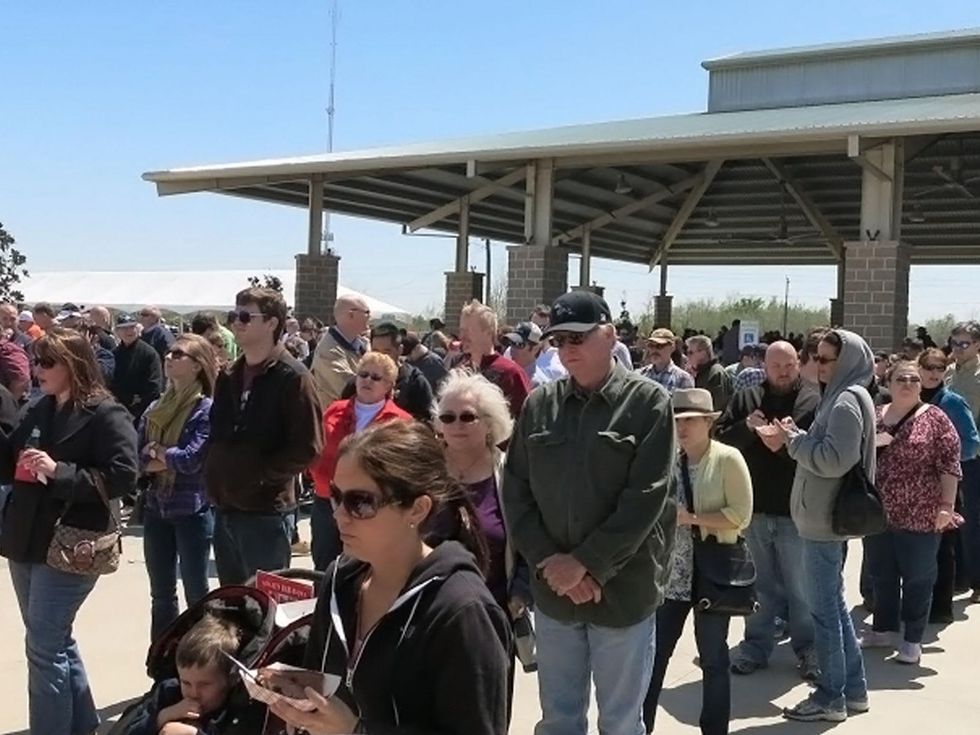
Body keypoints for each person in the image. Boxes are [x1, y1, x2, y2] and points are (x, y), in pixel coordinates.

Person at [503, 290, 676, 735]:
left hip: (621, 593)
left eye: (578, 337)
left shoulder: (648, 403)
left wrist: (585, 564)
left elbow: (647, 497)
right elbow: (516, 491)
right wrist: (551, 562)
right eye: (559, 340)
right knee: (558, 722)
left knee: (620, 724)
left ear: (610, 335)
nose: (568, 349)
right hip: (555, 594)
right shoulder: (540, 405)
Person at [272, 421, 510, 735]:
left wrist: (356, 731)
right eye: (336, 497)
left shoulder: (462, 611)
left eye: (360, 502)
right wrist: (300, 706)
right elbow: (321, 682)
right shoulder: (339, 582)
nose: (339, 514)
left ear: (417, 510)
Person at [0, 327, 139, 734]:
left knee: (43, 648)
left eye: (47, 362)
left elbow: (124, 476)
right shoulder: (38, 407)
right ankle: (80, 725)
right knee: (53, 640)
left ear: (74, 364)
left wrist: (58, 471)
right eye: (35, 360)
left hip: (71, 541)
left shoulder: (106, 413)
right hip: (26, 539)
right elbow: (9, 460)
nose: (37, 369)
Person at [777, 329, 874, 722]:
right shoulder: (846, 395)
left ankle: (831, 696)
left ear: (845, 361)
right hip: (824, 519)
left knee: (825, 613)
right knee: (832, 607)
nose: (818, 365)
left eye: (826, 359)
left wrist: (794, 441)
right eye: (816, 357)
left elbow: (835, 460)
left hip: (823, 522)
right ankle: (854, 690)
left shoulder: (845, 401)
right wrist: (800, 437)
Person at [644, 388, 752, 735]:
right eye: (677, 421)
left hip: (713, 573)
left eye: (691, 420)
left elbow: (740, 515)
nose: (683, 428)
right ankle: (640, 727)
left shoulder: (727, 458)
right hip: (671, 576)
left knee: (713, 658)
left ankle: (714, 729)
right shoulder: (667, 461)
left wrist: (691, 518)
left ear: (709, 422)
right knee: (653, 658)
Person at [716, 341, 820, 680]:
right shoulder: (747, 398)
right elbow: (721, 441)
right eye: (776, 366)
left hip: (796, 509)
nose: (783, 372)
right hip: (755, 508)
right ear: (764, 366)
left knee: (801, 588)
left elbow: (821, 451)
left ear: (798, 364)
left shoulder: (813, 400)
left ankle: (809, 650)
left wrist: (786, 444)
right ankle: (755, 648)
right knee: (759, 586)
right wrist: (747, 429)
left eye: (789, 365)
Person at [205, 288, 323, 585]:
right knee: (230, 604)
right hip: (225, 507)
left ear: (272, 323)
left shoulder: (293, 376)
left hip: (266, 513)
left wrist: (259, 477)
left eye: (246, 316)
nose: (236, 322)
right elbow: (217, 434)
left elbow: (308, 447)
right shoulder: (229, 375)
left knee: (266, 604)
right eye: (234, 315)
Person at [435, 372, 531, 706]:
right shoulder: (423, 471)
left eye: (467, 417)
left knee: (488, 712)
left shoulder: (511, 474)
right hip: (428, 619)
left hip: (492, 618)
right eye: (447, 417)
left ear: (490, 423)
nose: (456, 425)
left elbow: (531, 537)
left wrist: (521, 591)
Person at [861, 360, 961, 664]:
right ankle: (882, 630)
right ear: (888, 383)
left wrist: (947, 506)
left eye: (913, 380)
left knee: (919, 578)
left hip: (921, 514)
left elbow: (950, 465)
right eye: (901, 379)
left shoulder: (936, 418)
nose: (907, 384)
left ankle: (912, 639)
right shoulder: (874, 415)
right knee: (882, 574)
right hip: (878, 513)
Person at [137, 334, 217, 641]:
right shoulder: (156, 406)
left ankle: (200, 657)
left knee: (196, 593)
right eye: (169, 353)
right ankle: (163, 660)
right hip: (156, 508)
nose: (169, 357)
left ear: (197, 366)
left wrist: (157, 452)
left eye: (178, 354)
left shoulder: (205, 409)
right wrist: (161, 456)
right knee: (161, 595)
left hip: (192, 511)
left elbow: (190, 460)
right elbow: (137, 457)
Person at [310, 352, 412, 571]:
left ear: (388, 385)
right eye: (363, 375)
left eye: (376, 377)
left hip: (369, 507)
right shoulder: (334, 410)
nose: (367, 381)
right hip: (326, 501)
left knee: (363, 567)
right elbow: (317, 446)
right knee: (324, 565)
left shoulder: (400, 421)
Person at [122, 615, 266, 735]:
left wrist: (192, 733)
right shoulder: (169, 692)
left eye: (204, 685)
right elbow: (128, 730)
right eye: (186, 683)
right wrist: (164, 716)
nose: (194, 693)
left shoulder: (237, 710)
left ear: (230, 679)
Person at [919, 347, 980, 621]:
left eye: (939, 368)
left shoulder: (953, 402)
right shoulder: (911, 399)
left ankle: (941, 609)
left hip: (945, 485)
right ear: (919, 368)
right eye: (928, 367)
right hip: (915, 486)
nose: (934, 373)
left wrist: (943, 459)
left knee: (944, 549)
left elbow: (972, 444)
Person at [944, 320, 980, 603]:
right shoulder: (947, 373)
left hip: (973, 456)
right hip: (946, 455)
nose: (957, 349)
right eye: (954, 343)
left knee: (973, 519)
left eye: (964, 344)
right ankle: (959, 577)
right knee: (950, 517)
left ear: (977, 345)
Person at [340, 322, 433, 421]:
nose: (380, 357)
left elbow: (424, 422)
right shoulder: (359, 383)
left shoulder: (415, 383)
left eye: (386, 352)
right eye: (375, 351)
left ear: (400, 350)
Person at [457, 300, 530, 417]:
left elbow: (526, 419)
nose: (462, 336)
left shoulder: (510, 374)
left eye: (468, 331)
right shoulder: (460, 373)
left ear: (488, 332)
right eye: (461, 330)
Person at [311, 294, 370, 406]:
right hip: (336, 416)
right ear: (351, 315)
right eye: (367, 312)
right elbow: (350, 388)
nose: (369, 317)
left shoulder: (363, 345)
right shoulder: (328, 350)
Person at [112, 314, 164, 421]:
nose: (129, 331)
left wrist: (136, 411)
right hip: (117, 411)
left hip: (141, 413)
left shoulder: (149, 354)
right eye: (124, 328)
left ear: (138, 329)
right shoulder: (114, 354)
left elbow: (154, 387)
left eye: (132, 327)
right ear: (117, 331)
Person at [504, 321, 567, 388]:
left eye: (519, 344)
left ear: (535, 349)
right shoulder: (508, 375)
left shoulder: (538, 384)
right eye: (512, 343)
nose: (512, 349)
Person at [638, 327, 694, 393]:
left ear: (672, 347)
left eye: (659, 346)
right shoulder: (639, 375)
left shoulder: (683, 379)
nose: (654, 350)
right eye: (651, 345)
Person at [686, 334, 733, 412]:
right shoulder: (700, 373)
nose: (687, 356)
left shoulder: (716, 373)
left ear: (703, 353)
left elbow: (717, 406)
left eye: (690, 352)